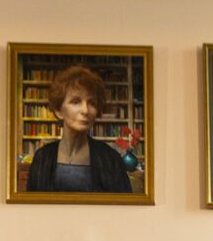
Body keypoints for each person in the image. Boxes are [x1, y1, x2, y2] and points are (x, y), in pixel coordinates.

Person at [25, 65, 133, 194]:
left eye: (92, 103)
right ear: (59, 110)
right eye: (76, 101)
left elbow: (124, 210)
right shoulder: (42, 158)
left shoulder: (111, 159)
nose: (85, 110)